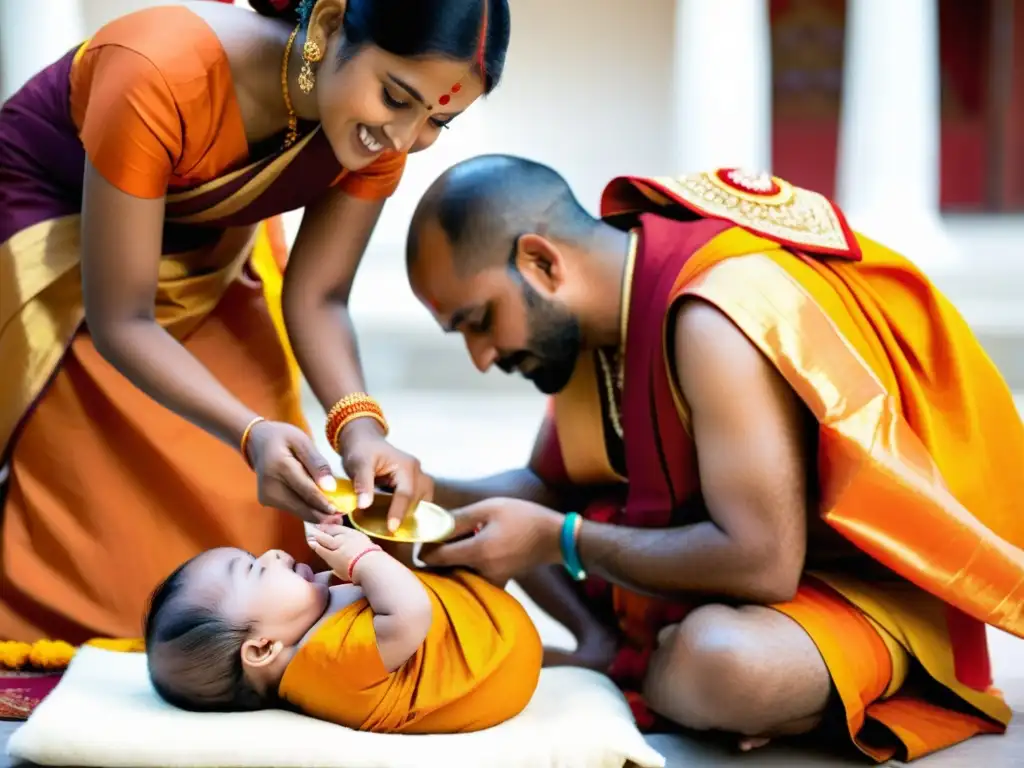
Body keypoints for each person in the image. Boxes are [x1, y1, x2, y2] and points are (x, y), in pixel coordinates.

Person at [404, 155, 1024, 762]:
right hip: (701, 588)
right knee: (503, 525)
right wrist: (422, 490)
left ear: (541, 262)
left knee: (722, 663)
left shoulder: (711, 312)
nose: (481, 357)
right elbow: (544, 489)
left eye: (480, 321)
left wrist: (564, 539)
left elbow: (764, 563)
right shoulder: (588, 321)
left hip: (844, 588)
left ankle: (715, 681)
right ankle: (624, 655)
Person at [0, 0, 510, 644]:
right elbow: (121, 319)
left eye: (440, 120)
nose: (406, 139)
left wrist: (362, 428)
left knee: (273, 519)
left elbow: (318, 296)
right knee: (119, 532)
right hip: (59, 246)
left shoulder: (371, 123)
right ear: (327, 26)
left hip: (207, 253)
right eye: (397, 98)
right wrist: (248, 435)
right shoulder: (156, 69)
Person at [144, 523, 541, 732]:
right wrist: (362, 560)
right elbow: (410, 614)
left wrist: (351, 537)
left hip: (477, 627)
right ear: (263, 649)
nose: (272, 555)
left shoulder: (308, 630)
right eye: (252, 568)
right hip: (499, 654)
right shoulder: (326, 664)